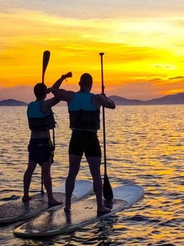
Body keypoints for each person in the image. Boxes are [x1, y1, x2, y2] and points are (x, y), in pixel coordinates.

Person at [52, 72, 116, 215]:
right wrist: (104, 97)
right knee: (95, 174)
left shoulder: (71, 96)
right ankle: (100, 206)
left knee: (72, 173)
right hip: (90, 138)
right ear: (91, 84)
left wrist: (62, 78)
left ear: (80, 84)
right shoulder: (96, 98)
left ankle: (67, 205)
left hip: (76, 138)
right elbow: (112, 105)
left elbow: (54, 90)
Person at [23, 72, 72, 206]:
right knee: (46, 171)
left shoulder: (30, 106)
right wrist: (60, 79)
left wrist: (45, 91)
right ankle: (50, 199)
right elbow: (59, 97)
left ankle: (25, 195)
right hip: (43, 143)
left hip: (33, 142)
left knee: (30, 169)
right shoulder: (44, 105)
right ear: (44, 93)